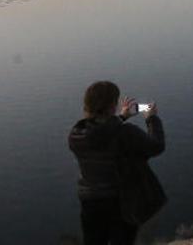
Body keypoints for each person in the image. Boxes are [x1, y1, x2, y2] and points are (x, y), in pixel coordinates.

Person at [68, 81, 165, 245]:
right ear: (111, 106)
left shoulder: (76, 135)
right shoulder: (125, 133)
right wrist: (152, 119)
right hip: (122, 202)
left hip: (90, 202)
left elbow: (100, 134)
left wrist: (122, 117)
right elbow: (156, 146)